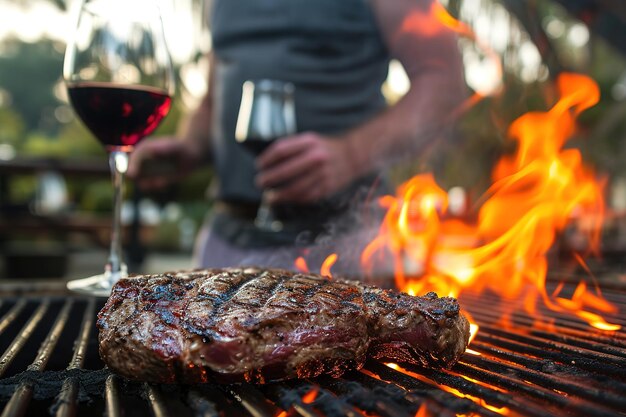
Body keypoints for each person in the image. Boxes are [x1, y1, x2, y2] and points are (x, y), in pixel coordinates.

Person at [128, 0, 466, 278]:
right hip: (224, 242)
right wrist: (191, 145)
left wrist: (350, 154)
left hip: (342, 250)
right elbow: (213, 96)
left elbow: (443, 81)